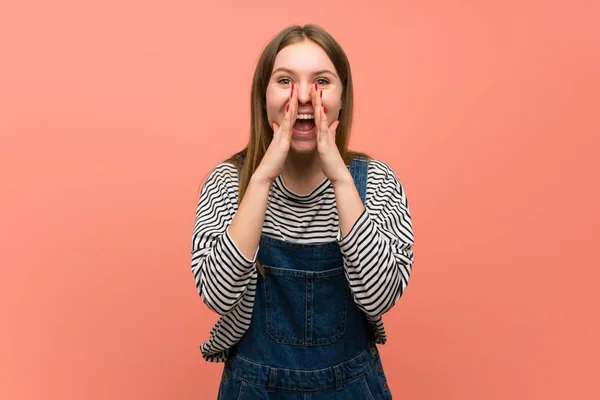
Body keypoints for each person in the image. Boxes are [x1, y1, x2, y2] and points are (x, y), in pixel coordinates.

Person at [191, 24, 414, 399]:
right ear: (263, 98)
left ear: (343, 98)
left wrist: (342, 181)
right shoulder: (229, 183)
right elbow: (217, 294)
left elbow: (380, 297)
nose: (305, 97)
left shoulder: (375, 181)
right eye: (285, 81)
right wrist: (261, 180)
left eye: (322, 80)